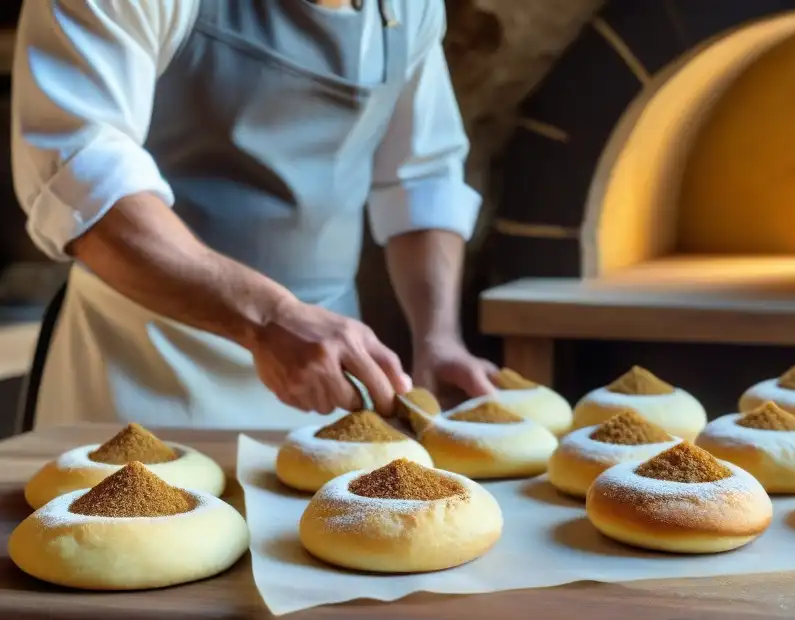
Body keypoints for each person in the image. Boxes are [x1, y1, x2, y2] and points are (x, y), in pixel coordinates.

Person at [12, 0, 498, 429]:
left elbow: (422, 174)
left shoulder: (408, 8)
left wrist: (438, 338)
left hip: (328, 383)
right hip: (141, 369)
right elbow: (82, 178)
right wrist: (269, 317)